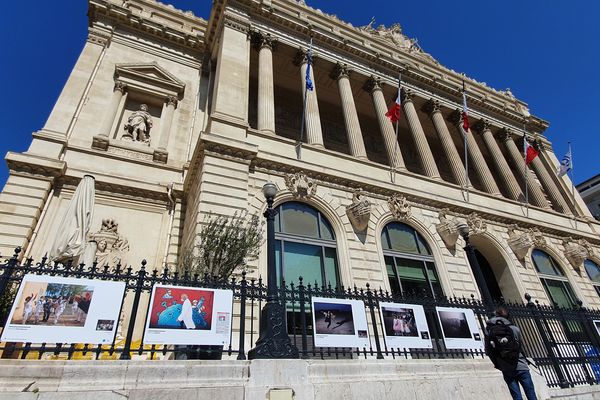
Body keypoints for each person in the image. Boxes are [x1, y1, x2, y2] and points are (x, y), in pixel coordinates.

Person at [485, 306, 537, 400]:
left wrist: (498, 363)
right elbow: (520, 346)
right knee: (531, 394)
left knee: (516, 396)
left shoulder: (489, 331)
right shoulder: (514, 328)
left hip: (505, 366)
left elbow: (489, 350)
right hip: (521, 365)